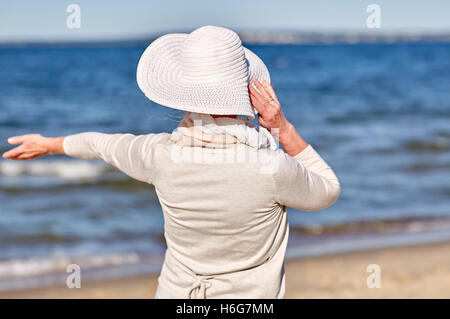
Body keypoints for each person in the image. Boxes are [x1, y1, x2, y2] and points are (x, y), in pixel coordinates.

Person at [2, 26, 340, 298]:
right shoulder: (272, 167)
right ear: (243, 93)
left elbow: (101, 144)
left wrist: (50, 144)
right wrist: (282, 128)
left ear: (184, 95)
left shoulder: (159, 155)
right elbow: (328, 190)